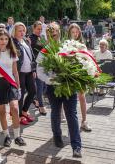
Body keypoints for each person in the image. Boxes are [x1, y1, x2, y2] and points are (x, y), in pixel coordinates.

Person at [36, 22, 82, 158]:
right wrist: (51, 80)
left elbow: (77, 61)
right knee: (56, 113)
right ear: (47, 34)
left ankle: (76, 146)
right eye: (50, 31)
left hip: (69, 86)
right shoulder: (44, 51)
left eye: (55, 30)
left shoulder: (67, 46)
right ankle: (57, 136)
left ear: (59, 31)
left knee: (71, 115)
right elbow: (39, 71)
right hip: (53, 87)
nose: (53, 33)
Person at [0, 29, 26, 147]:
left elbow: (15, 72)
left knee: (14, 108)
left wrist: (18, 88)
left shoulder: (12, 52)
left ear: (9, 40)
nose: (4, 41)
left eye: (6, 39)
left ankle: (17, 136)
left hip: (11, 83)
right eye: (1, 39)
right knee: (2, 111)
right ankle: (6, 136)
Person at [12, 22, 37, 125]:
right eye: (19, 31)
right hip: (20, 72)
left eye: (23, 30)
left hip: (29, 71)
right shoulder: (12, 42)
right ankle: (20, 116)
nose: (22, 32)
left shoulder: (26, 41)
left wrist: (34, 70)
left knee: (33, 91)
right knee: (20, 94)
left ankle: (24, 111)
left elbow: (31, 55)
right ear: (15, 31)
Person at [68, 23, 91, 132]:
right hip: (69, 74)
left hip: (80, 73)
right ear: (69, 33)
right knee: (68, 98)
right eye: (73, 32)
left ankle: (84, 121)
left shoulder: (82, 44)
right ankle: (69, 121)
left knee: (82, 96)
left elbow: (87, 58)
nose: (75, 34)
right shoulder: (66, 44)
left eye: (77, 32)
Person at [29, 21, 47, 115]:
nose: (39, 30)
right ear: (34, 28)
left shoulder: (42, 37)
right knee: (40, 86)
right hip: (36, 65)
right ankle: (41, 106)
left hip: (43, 64)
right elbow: (30, 55)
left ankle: (35, 99)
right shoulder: (30, 39)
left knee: (45, 87)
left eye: (41, 29)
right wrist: (33, 68)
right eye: (38, 29)